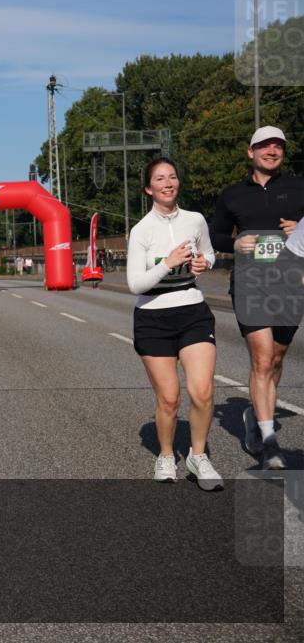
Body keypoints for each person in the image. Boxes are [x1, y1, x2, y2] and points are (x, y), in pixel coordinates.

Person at [210, 126, 304, 470]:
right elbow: (214, 233)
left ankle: (255, 413)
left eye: (278, 146)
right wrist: (233, 244)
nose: (272, 150)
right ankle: (268, 441)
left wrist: (302, 227)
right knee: (262, 360)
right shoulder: (233, 195)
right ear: (250, 152)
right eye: (264, 146)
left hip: (291, 284)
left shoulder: (298, 187)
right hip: (251, 283)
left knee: (277, 360)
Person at [128, 158, 221, 490]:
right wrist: (168, 263)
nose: (168, 183)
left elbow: (210, 254)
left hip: (192, 311)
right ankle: (166, 455)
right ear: (149, 189)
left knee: (203, 390)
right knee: (169, 398)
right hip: (153, 318)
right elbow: (135, 284)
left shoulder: (195, 220)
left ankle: (198, 456)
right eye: (159, 179)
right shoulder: (141, 231)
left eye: (172, 177)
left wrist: (202, 263)